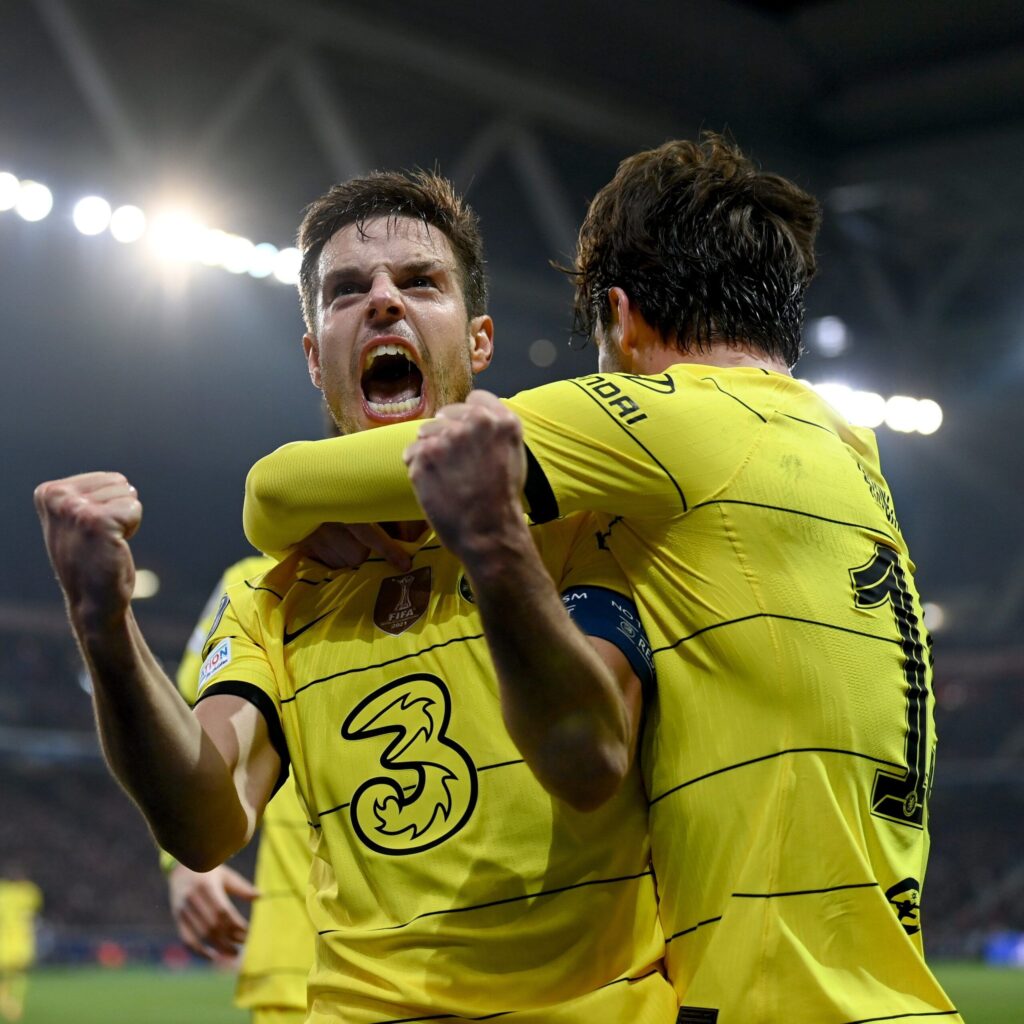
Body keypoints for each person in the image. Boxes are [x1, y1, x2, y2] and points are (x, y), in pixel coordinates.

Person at [241, 136, 962, 1023]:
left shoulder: (670, 418)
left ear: (619, 321)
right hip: (889, 991)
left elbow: (288, 486)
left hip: (775, 998)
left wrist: (297, 508)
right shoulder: (851, 453)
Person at [34, 171, 677, 1022]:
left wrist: (489, 541)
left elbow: (591, 761)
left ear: (479, 340)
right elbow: (205, 821)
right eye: (346, 292)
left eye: (420, 283)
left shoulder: (581, 531)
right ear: (312, 356)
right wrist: (104, 629)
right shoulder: (271, 592)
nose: (382, 302)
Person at [165, 552, 314, 1024]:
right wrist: (186, 859)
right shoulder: (254, 582)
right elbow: (196, 719)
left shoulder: (511, 545)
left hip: (504, 962)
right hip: (300, 965)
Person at [0, 873, 42, 1022]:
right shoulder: (27, 893)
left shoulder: (2, 892)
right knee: (20, 973)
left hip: (3, 943)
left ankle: (6, 1000)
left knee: (6, 975)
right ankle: (13, 1002)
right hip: (21, 943)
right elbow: (36, 900)